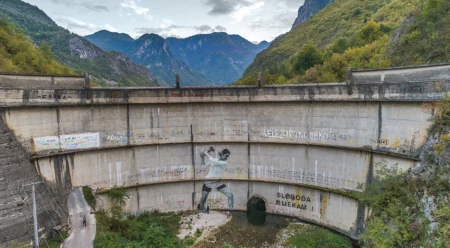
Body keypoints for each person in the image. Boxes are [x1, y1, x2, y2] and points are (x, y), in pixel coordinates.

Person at [199, 147, 234, 211]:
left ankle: (231, 211)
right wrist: (202, 158)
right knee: (203, 199)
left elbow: (215, 162)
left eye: (228, 156)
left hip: (217, 182)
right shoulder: (213, 160)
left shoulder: (225, 163)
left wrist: (207, 153)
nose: (226, 158)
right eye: (226, 156)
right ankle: (201, 209)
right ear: (222, 154)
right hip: (208, 182)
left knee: (230, 195)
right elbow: (203, 167)